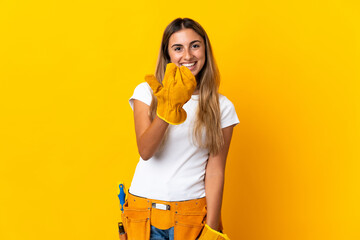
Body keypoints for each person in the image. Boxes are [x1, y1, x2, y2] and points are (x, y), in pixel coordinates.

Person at [123, 18, 239, 240]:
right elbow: (146, 151)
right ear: (168, 55)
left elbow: (215, 171)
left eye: (195, 45)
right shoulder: (147, 92)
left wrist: (212, 229)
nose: (187, 55)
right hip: (143, 213)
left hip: (191, 216)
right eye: (178, 48)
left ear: (205, 49)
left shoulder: (222, 106)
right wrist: (168, 107)